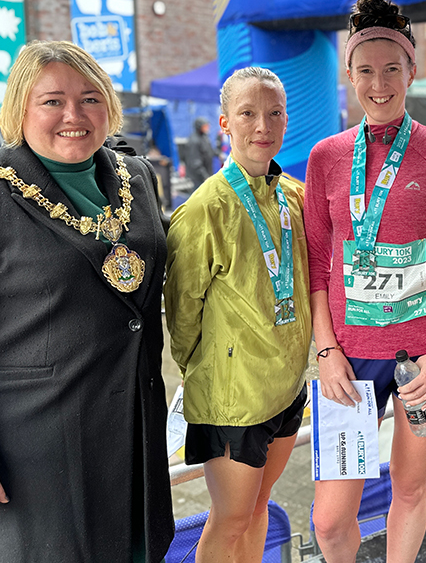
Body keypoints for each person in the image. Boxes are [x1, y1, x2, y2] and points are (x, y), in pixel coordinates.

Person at [0, 40, 173, 563]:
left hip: (130, 438)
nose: (74, 115)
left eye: (90, 98)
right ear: (19, 109)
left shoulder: (135, 178)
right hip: (28, 461)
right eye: (52, 100)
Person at [304, 0, 426, 563]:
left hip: (425, 350)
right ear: (349, 74)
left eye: (392, 69)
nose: (380, 84)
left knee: (410, 487)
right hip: (349, 358)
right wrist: (325, 350)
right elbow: (317, 264)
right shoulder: (325, 156)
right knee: (329, 519)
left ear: (412, 71)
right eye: (366, 70)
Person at [164, 67, 312, 562]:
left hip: (287, 388)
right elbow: (181, 318)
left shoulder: (295, 196)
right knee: (228, 519)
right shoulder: (204, 209)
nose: (262, 126)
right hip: (234, 401)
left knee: (258, 506)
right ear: (224, 122)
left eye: (273, 113)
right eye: (248, 113)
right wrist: (208, 375)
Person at [185, 116, 216, 189]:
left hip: (206, 174)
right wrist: (204, 176)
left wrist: (218, 154)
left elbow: (209, 151)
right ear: (199, 127)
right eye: (205, 126)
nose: (208, 128)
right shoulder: (194, 141)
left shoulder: (204, 137)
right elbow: (195, 162)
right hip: (198, 178)